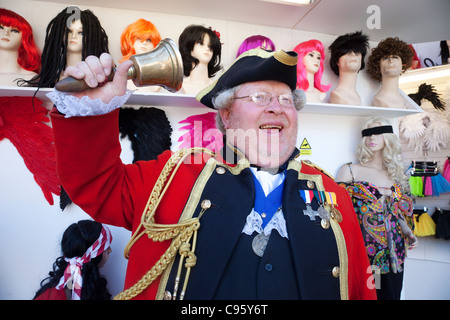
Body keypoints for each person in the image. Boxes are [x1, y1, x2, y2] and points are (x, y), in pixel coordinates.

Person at [48, 47, 376, 300]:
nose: (276, 107)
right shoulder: (172, 176)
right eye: (260, 97)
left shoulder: (333, 193)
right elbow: (98, 187)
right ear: (227, 114)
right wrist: (88, 112)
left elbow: (362, 287)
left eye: (286, 99)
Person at [336, 117, 417, 300]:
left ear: (388, 138)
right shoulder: (351, 171)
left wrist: (408, 232)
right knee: (370, 295)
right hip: (367, 252)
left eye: (377, 133)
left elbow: (397, 212)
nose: (371, 138)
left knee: (392, 295)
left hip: (395, 252)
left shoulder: (395, 175)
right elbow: (337, 212)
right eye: (367, 134)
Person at [24, 6, 109, 88]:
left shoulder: (100, 78)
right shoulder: (45, 80)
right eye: (68, 31)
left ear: (91, 37)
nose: (73, 36)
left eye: (81, 33)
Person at [34, 220, 113, 300]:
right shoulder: (55, 296)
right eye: (106, 247)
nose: (110, 250)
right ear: (93, 254)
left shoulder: (58, 288)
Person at [366, 37, 414, 109]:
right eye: (385, 58)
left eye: (395, 57)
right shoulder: (379, 99)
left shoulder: (404, 100)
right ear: (378, 66)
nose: (390, 61)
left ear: (403, 64)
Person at [0, 8, 40, 86]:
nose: (6, 33)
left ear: (24, 38)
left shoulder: (32, 79)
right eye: (1, 28)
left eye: (14, 30)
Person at [178, 24, 222, 95]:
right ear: (188, 48)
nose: (207, 49)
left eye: (210, 46)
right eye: (201, 43)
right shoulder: (178, 85)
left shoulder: (217, 87)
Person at [328, 31, 369, 105]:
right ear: (337, 61)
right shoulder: (336, 95)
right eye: (347, 52)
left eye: (357, 52)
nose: (353, 54)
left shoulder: (358, 97)